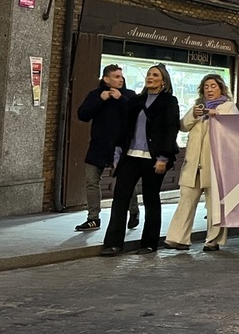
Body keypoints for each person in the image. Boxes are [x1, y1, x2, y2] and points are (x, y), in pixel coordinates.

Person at [99, 64, 180, 256]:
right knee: (120, 198)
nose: (150, 77)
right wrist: (117, 154)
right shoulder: (136, 100)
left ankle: (149, 243)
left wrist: (163, 157)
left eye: (155, 75)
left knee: (151, 199)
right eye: (149, 74)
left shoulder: (169, 101)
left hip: (154, 158)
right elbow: (124, 128)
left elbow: (171, 129)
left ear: (163, 80)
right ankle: (113, 243)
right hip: (131, 157)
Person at [163, 74, 238, 252]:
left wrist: (217, 116)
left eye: (213, 86)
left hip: (215, 163)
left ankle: (213, 240)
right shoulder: (198, 106)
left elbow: (234, 130)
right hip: (193, 163)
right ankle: (178, 238)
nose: (209, 90)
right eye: (206, 87)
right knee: (186, 199)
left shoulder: (229, 107)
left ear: (221, 88)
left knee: (215, 203)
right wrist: (195, 115)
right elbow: (183, 126)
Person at [75, 64, 140, 232]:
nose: (121, 79)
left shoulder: (129, 95)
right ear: (106, 79)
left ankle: (134, 211)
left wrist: (121, 99)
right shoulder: (96, 95)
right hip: (98, 145)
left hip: (120, 147)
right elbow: (82, 114)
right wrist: (100, 100)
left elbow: (137, 116)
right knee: (91, 181)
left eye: (121, 76)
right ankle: (93, 218)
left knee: (125, 182)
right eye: (117, 76)